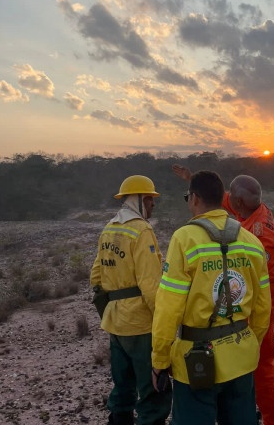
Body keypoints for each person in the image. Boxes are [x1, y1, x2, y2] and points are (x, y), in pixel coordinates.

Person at [152, 170, 271, 425]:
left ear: (194, 198)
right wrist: (249, 345)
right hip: (241, 358)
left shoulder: (184, 239)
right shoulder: (252, 241)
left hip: (195, 364)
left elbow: (168, 307)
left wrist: (160, 359)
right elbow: (263, 308)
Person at [90, 175, 172, 425]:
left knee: (123, 386)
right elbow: (150, 285)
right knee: (152, 389)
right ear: (138, 199)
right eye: (150, 199)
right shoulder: (141, 230)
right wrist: (163, 324)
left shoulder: (110, 228)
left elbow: (95, 276)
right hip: (140, 325)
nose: (153, 204)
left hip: (115, 322)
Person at [229, 175, 274, 425]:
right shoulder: (254, 213)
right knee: (268, 366)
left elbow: (268, 284)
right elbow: (225, 199)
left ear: (239, 201)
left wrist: (256, 318)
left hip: (263, 309)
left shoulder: (260, 234)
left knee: (260, 369)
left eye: (231, 198)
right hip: (262, 306)